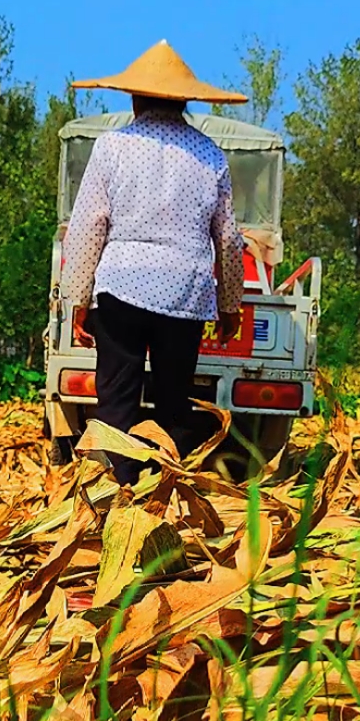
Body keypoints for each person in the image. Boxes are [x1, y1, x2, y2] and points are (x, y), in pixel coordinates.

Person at [61, 40, 246, 485]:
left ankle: (119, 487)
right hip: (184, 295)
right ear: (186, 100)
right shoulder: (209, 154)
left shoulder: (112, 147)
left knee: (117, 400)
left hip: (121, 287)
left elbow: (88, 226)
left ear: (135, 98)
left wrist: (77, 300)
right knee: (172, 402)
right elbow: (228, 238)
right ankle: (164, 487)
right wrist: (229, 305)